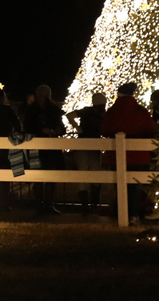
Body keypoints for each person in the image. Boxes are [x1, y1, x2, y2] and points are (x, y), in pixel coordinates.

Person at [101, 82, 157, 220]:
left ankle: (122, 214)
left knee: (120, 186)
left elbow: (103, 130)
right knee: (137, 187)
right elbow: (152, 130)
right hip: (139, 157)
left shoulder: (112, 112)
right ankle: (135, 215)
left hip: (116, 157)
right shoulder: (141, 111)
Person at [68, 90, 107, 213]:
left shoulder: (87, 111)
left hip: (84, 144)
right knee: (95, 173)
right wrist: (78, 129)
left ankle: (86, 205)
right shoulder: (102, 114)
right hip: (93, 145)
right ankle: (93, 204)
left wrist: (79, 129)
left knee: (84, 173)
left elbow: (70, 115)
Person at [28, 85, 65, 213]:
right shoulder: (32, 110)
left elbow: (61, 126)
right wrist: (40, 130)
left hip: (51, 148)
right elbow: (27, 128)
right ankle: (39, 205)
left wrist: (58, 130)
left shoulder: (54, 110)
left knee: (50, 176)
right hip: (36, 147)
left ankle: (49, 204)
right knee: (38, 177)